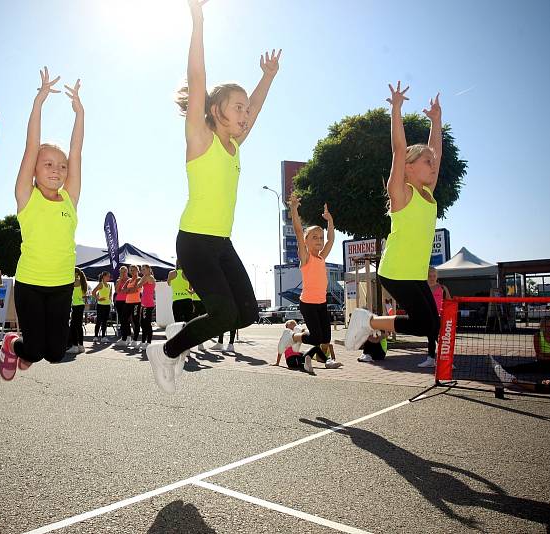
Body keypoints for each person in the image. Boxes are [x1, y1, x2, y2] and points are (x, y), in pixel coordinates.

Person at [147, 0, 280, 394]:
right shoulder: (200, 139)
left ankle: (179, 337)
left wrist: (267, 78)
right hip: (194, 242)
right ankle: (168, 349)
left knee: (247, 313)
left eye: (244, 109)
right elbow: (197, 76)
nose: (244, 113)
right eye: (237, 107)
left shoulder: (234, 147)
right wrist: (198, 19)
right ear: (216, 109)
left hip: (221, 243)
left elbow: (255, 111)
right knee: (223, 312)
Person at [344, 83, 443, 363]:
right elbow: (399, 150)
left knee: (432, 324)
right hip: (396, 270)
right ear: (409, 167)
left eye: (433, 163)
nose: (433, 165)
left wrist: (436, 122)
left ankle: (372, 324)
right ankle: (370, 322)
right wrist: (396, 109)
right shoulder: (401, 194)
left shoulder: (428, 194)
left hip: (414, 272)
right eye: (426, 162)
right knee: (425, 324)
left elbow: (437, 150)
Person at [0, 68, 83, 381]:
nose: (56, 170)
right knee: (33, 351)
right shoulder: (27, 197)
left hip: (61, 285)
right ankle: (14, 345)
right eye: (48, 164)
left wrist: (79, 114)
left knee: (57, 353)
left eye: (61, 167)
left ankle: (28, 348)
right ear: (33, 169)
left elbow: (77, 152)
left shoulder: (70, 200)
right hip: (31, 283)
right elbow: (30, 145)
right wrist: (39, 102)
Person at [278, 194, 341, 370]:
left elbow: (332, 239)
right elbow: (299, 231)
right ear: (306, 241)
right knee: (315, 337)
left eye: (320, 238)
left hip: (321, 302)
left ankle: (317, 359)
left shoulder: (322, 257)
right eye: (315, 237)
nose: (319, 241)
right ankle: (293, 337)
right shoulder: (306, 258)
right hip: (308, 303)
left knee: (326, 338)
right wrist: (294, 209)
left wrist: (330, 221)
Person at [418, 266, 452, 368]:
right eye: (429, 276)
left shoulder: (442, 288)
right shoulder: (423, 288)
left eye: (434, 276)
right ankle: (431, 359)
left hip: (440, 317)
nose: (432, 278)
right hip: (428, 317)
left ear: (437, 276)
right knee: (431, 338)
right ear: (426, 276)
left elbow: (449, 302)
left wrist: (448, 316)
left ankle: (448, 361)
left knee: (442, 339)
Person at [67, 268, 88, 354]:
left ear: (76, 274)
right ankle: (81, 346)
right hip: (80, 305)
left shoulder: (75, 282)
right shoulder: (82, 281)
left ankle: (75, 346)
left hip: (77, 306)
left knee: (73, 326)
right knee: (78, 326)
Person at [138, 265, 157, 350]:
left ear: (149, 269)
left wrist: (140, 280)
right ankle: (143, 342)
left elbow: (139, 285)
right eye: (141, 270)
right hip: (144, 303)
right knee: (143, 323)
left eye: (144, 269)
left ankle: (148, 343)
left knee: (146, 324)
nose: (142, 271)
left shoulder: (148, 277)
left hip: (148, 304)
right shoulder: (146, 277)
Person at [124, 264, 142, 348]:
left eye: (133, 270)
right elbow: (123, 290)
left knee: (135, 320)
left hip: (136, 302)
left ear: (137, 271)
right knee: (124, 319)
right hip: (128, 302)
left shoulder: (139, 279)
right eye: (130, 270)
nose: (132, 271)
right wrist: (129, 290)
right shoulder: (129, 280)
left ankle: (135, 340)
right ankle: (128, 337)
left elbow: (135, 289)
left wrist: (129, 290)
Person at [91, 271, 112, 342]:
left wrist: (110, 301)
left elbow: (109, 295)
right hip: (100, 305)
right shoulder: (100, 284)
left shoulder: (109, 285)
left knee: (105, 321)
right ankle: (96, 336)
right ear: (103, 277)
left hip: (107, 306)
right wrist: (98, 298)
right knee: (99, 321)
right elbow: (93, 292)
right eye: (108, 276)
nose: (109, 277)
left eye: (109, 276)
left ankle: (103, 337)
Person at [114, 266, 130, 347]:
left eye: (124, 272)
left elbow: (127, 291)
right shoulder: (118, 280)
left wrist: (122, 290)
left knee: (125, 319)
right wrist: (120, 281)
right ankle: (126, 337)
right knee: (122, 319)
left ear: (127, 272)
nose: (123, 273)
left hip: (127, 301)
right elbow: (117, 291)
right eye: (121, 272)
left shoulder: (129, 280)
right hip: (119, 301)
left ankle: (126, 337)